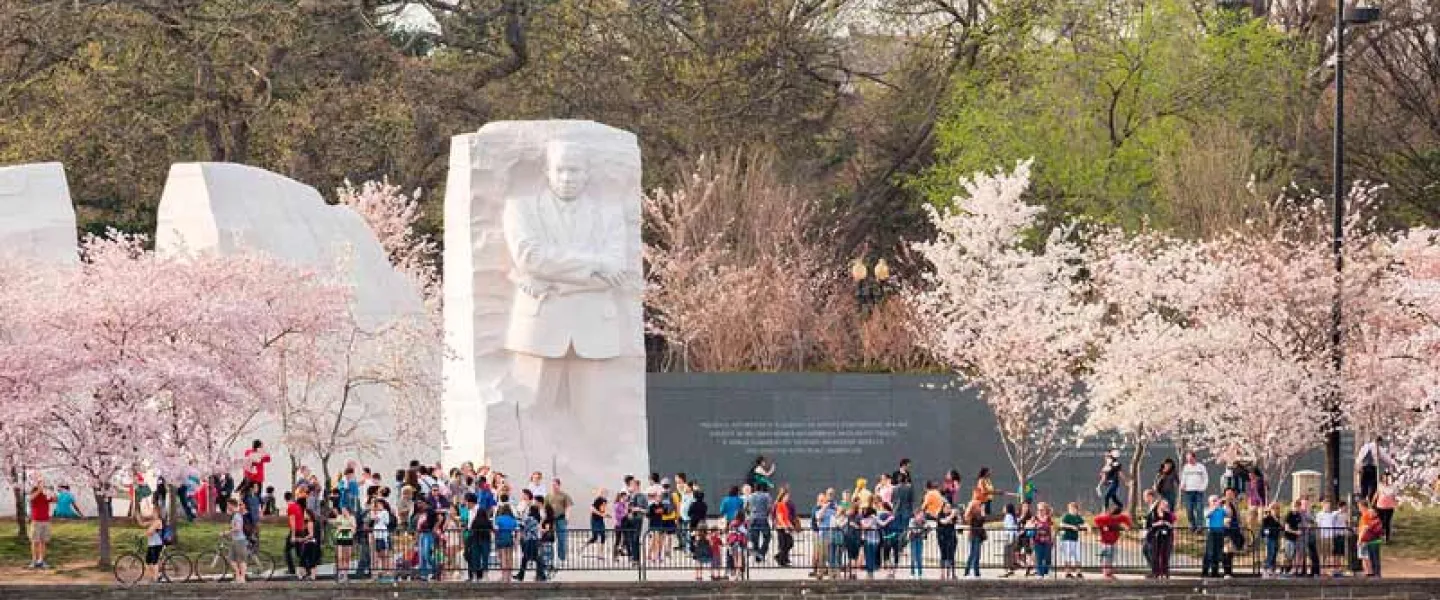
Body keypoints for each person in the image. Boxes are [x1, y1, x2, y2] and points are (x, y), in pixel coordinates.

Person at [1093, 505, 1131, 580]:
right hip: (1106, 541)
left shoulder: (1120, 517)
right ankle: (1105, 573)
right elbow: (1096, 520)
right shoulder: (1106, 517)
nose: (1116, 518)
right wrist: (1103, 526)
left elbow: (1127, 523)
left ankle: (1109, 573)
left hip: (1113, 541)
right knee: (1107, 557)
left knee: (1111, 557)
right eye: (1115, 516)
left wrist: (1125, 525)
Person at [1355, 436, 1395, 504]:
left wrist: (1358, 464)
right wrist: (1392, 463)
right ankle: (1369, 497)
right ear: (1379, 441)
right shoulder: (1376, 448)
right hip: (1370, 467)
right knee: (1371, 484)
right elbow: (1385, 457)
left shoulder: (1368, 447)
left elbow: (1360, 456)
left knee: (1366, 484)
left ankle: (1365, 497)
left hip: (1366, 467)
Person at [28, 478, 56, 569]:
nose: (43, 485)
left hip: (45, 521)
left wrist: (52, 491)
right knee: (34, 541)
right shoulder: (33, 494)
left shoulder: (45, 494)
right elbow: (31, 498)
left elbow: (55, 500)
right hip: (36, 521)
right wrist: (39, 490)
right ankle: (34, 561)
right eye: (40, 483)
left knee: (43, 542)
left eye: (43, 483)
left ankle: (42, 560)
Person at [1202, 495, 1232, 578]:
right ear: (1210, 502)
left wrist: (1227, 503)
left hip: (1220, 532)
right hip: (1211, 532)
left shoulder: (1221, 510)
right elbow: (1206, 515)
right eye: (1214, 500)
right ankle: (1205, 572)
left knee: (1218, 553)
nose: (1216, 502)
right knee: (1210, 553)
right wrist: (1214, 507)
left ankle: (1215, 572)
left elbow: (1229, 514)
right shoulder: (1208, 509)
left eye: (1216, 500)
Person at [515, 505, 546, 581]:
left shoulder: (529, 519)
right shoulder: (538, 519)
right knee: (537, 558)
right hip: (537, 540)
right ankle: (541, 575)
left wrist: (521, 515)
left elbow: (521, 526)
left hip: (529, 540)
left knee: (525, 557)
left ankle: (521, 575)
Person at [1180, 452, 1209, 531]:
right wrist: (1182, 485)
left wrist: (1203, 488)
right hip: (1188, 491)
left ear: (1194, 458)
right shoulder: (1186, 467)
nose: (1189, 460)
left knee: (1199, 508)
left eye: (1190, 459)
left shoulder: (1201, 467)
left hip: (1198, 491)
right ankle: (1192, 524)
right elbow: (1183, 478)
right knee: (1189, 509)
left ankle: (1200, 525)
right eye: (1187, 459)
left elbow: (1206, 478)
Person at [1148, 499, 1176, 579]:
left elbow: (1171, 526)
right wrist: (1157, 524)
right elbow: (1148, 525)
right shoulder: (1152, 514)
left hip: (1166, 536)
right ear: (1159, 505)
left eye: (1166, 505)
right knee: (1155, 554)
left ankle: (1165, 572)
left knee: (1165, 554)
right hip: (1155, 536)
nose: (1165, 506)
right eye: (1164, 504)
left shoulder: (1168, 514)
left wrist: (1167, 523)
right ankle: (1155, 572)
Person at [546, 478, 572, 562]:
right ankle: (550, 558)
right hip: (551, 520)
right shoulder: (548, 496)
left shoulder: (564, 495)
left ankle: (562, 558)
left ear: (559, 485)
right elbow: (545, 508)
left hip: (561, 519)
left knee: (562, 539)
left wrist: (567, 518)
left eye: (555, 485)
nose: (553, 487)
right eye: (552, 485)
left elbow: (568, 507)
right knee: (549, 539)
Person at [1058, 502, 1085, 579]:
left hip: (1075, 539)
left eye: (1074, 508)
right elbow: (1062, 524)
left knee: (1078, 556)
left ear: (1076, 509)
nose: (1072, 510)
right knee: (1067, 556)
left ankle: (1078, 572)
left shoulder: (1078, 517)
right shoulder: (1067, 516)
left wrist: (1087, 526)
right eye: (1071, 508)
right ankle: (1067, 573)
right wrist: (1071, 526)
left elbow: (1083, 523)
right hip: (1067, 539)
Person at [748, 483, 774, 564]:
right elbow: (770, 507)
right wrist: (767, 514)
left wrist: (751, 514)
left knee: (755, 538)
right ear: (762, 488)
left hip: (753, 518)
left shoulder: (750, 496)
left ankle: (757, 555)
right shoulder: (766, 496)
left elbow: (746, 507)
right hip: (763, 518)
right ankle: (761, 552)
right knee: (767, 536)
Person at [1357, 500, 1384, 577]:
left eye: (1372, 513)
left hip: (1374, 541)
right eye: (1370, 512)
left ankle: (1377, 573)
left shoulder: (1376, 521)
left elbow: (1366, 528)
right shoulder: (1371, 520)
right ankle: (1375, 572)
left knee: (1375, 557)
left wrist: (1360, 539)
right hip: (1370, 541)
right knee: (1371, 557)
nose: (1370, 514)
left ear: (1375, 513)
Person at [225, 499, 250, 583]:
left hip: (240, 540)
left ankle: (242, 578)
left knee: (242, 560)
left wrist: (228, 532)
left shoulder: (237, 515)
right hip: (235, 540)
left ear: (232, 505)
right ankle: (238, 575)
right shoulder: (234, 515)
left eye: (228, 505)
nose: (227, 507)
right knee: (230, 559)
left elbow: (238, 528)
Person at [1031, 502, 1055, 578]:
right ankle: (1039, 574)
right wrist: (1034, 525)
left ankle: (1046, 572)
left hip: (1047, 540)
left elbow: (1052, 528)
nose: (1040, 511)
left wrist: (1053, 538)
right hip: (1037, 541)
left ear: (1045, 510)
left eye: (1042, 509)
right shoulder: (1034, 518)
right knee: (1039, 557)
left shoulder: (1048, 518)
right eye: (1038, 509)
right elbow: (1028, 526)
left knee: (1047, 557)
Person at [963, 501, 986, 579]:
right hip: (975, 536)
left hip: (976, 536)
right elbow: (981, 522)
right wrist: (983, 512)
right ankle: (971, 572)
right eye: (979, 506)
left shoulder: (975, 515)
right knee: (975, 554)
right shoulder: (973, 515)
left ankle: (972, 572)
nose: (980, 507)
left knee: (975, 554)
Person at [774, 487, 796, 567]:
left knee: (789, 543)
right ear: (783, 497)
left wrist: (791, 526)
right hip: (781, 528)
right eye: (786, 496)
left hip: (785, 527)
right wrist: (785, 527)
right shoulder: (779, 505)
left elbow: (786, 518)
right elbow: (780, 518)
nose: (788, 498)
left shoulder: (784, 505)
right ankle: (781, 560)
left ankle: (779, 557)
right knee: (784, 544)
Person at [936, 503, 959, 580]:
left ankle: (951, 573)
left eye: (949, 508)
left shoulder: (952, 515)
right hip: (942, 538)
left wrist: (956, 515)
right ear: (943, 508)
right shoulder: (940, 515)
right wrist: (951, 516)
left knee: (951, 556)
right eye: (947, 507)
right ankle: (942, 574)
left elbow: (958, 521)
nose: (948, 509)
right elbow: (944, 522)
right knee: (943, 555)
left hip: (951, 537)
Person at [333, 505, 355, 581]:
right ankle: (340, 573)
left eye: (344, 510)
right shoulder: (339, 517)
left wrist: (344, 528)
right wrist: (345, 527)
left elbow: (353, 528)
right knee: (340, 556)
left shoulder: (352, 517)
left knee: (347, 557)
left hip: (348, 537)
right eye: (342, 510)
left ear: (347, 510)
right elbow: (337, 526)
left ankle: (345, 574)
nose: (343, 512)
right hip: (340, 537)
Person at [1261, 502, 1283, 577]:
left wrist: (1277, 521)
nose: (1275, 510)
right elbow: (1263, 527)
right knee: (1270, 553)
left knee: (1274, 554)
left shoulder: (1278, 518)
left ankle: (1272, 569)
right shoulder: (1267, 518)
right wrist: (1266, 534)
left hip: (1276, 537)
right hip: (1269, 538)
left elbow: (1281, 528)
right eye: (1274, 508)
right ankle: (1266, 568)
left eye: (1277, 508)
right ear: (1271, 510)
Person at [1376, 472, 1399, 542]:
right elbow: (1376, 494)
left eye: (1387, 478)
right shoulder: (1380, 486)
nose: (1386, 479)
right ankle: (1381, 535)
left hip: (1389, 507)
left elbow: (1395, 497)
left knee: (1387, 522)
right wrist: (1371, 503)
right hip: (1380, 507)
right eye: (1384, 477)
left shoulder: (1394, 487)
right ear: (1382, 478)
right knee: (1381, 522)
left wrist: (1397, 505)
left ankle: (1387, 538)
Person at [143, 513, 165, 583]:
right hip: (151, 544)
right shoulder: (152, 522)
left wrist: (144, 534)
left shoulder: (158, 522)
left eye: (154, 513)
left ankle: (156, 579)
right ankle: (155, 576)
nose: (152, 514)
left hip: (157, 544)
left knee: (154, 562)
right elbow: (142, 524)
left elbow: (150, 532)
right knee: (147, 562)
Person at [907, 508, 927, 579]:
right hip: (913, 540)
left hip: (919, 539)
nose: (922, 516)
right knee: (913, 556)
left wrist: (925, 529)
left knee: (919, 556)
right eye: (920, 514)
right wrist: (922, 529)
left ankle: (920, 573)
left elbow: (926, 530)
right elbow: (914, 530)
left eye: (922, 515)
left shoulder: (923, 521)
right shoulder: (912, 520)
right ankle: (912, 573)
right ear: (916, 514)